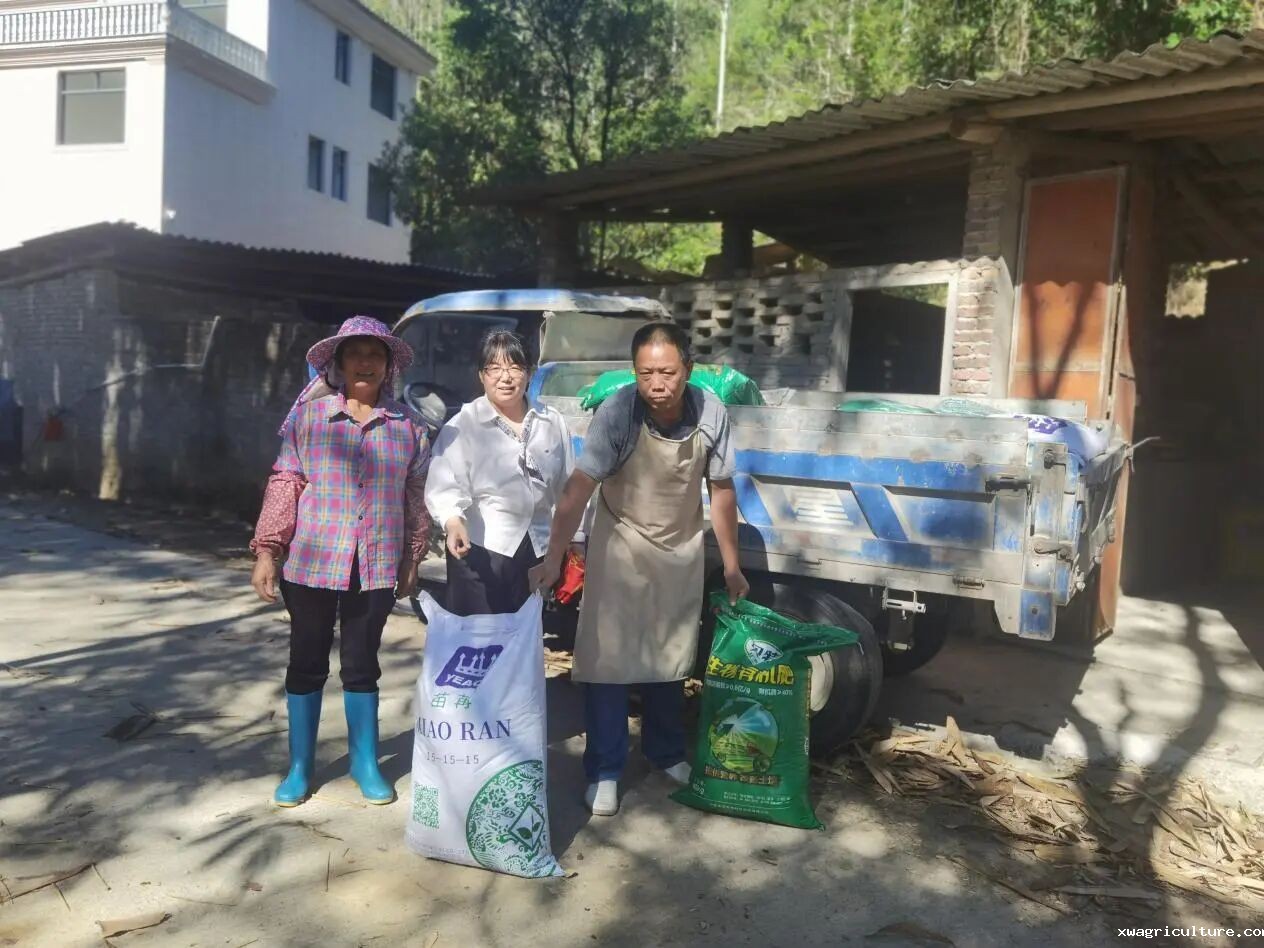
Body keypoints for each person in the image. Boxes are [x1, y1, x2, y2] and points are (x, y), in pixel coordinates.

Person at [530, 322, 749, 817]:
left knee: (669, 657)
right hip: (621, 549)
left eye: (667, 372)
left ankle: (665, 752)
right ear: (634, 372)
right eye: (646, 373)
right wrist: (554, 556)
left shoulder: (710, 411)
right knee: (608, 663)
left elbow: (721, 490)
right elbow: (578, 489)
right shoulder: (618, 412)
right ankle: (604, 771)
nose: (657, 384)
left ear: (687, 370)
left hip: (679, 551)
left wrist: (732, 566)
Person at [250, 316, 431, 808]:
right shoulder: (308, 420)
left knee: (362, 665)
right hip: (312, 561)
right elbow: (286, 482)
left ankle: (364, 763)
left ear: (389, 366)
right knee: (306, 662)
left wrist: (413, 556)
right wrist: (268, 549)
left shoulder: (409, 428)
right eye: (355, 354)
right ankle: (300, 768)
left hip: (375, 563)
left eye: (375, 355)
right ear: (339, 363)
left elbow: (416, 495)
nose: (365, 363)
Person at [425, 330, 580, 616]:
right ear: (481, 376)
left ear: (529, 373)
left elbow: (569, 486)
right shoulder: (463, 425)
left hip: (538, 549)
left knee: (526, 631)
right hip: (482, 550)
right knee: (480, 636)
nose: (505, 377)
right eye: (494, 368)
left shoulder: (551, 422)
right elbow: (444, 485)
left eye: (515, 367)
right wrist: (453, 521)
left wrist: (571, 543)